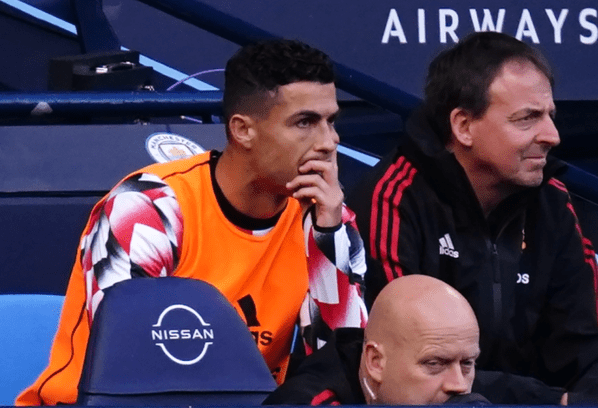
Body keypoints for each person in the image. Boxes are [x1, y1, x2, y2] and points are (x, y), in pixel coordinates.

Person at [17, 39, 368, 406]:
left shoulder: (326, 216)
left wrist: (329, 236)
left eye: (331, 122)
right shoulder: (147, 209)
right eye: (305, 122)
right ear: (242, 130)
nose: (329, 142)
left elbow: (338, 372)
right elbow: (133, 372)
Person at [347, 31, 598, 404]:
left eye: (550, 116)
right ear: (463, 126)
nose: (552, 135)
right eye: (527, 118)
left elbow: (591, 341)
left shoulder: (551, 200)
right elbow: (410, 366)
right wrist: (554, 401)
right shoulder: (392, 198)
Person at [264, 274, 487, 405]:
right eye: (434, 363)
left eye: (467, 363)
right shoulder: (305, 401)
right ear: (376, 362)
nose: (459, 385)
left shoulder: (462, 390)